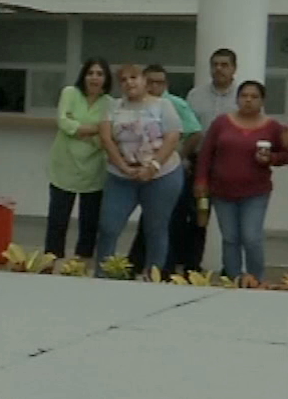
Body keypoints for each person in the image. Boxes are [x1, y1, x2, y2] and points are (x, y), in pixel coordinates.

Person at [94, 64, 187, 278]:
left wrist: (153, 166)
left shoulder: (163, 105)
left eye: (134, 77)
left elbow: (173, 137)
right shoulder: (113, 106)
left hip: (161, 175)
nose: (129, 83)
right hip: (121, 175)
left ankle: (151, 276)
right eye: (124, 80)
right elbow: (106, 138)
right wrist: (123, 166)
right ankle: (102, 274)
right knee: (109, 226)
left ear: (145, 80)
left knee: (155, 229)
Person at [194, 80, 287, 282]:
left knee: (251, 237)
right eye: (244, 96)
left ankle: (256, 280)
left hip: (256, 192)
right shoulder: (221, 123)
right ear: (237, 99)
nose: (248, 100)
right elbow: (206, 154)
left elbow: (285, 154)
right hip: (222, 192)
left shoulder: (272, 127)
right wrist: (201, 180)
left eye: (254, 97)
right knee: (230, 239)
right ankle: (233, 280)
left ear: (262, 101)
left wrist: (271, 158)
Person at [129, 64, 204, 275]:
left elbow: (195, 132)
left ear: (166, 84)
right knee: (149, 217)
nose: (154, 86)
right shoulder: (138, 104)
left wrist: (176, 158)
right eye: (150, 82)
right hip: (143, 169)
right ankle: (139, 262)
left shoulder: (175, 104)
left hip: (168, 171)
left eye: (159, 82)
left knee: (168, 219)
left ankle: (164, 267)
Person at [46, 58, 112, 265]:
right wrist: (95, 129)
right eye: (90, 73)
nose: (94, 78)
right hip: (63, 164)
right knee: (58, 219)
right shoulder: (70, 93)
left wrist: (79, 128)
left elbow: (109, 134)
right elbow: (64, 123)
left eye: (100, 74)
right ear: (83, 76)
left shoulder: (109, 103)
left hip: (93, 169)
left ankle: (81, 264)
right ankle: (51, 261)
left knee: (89, 222)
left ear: (106, 79)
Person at [188, 47, 241, 126]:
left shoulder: (244, 96)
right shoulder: (195, 95)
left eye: (224, 65)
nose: (218, 68)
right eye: (215, 65)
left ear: (234, 68)